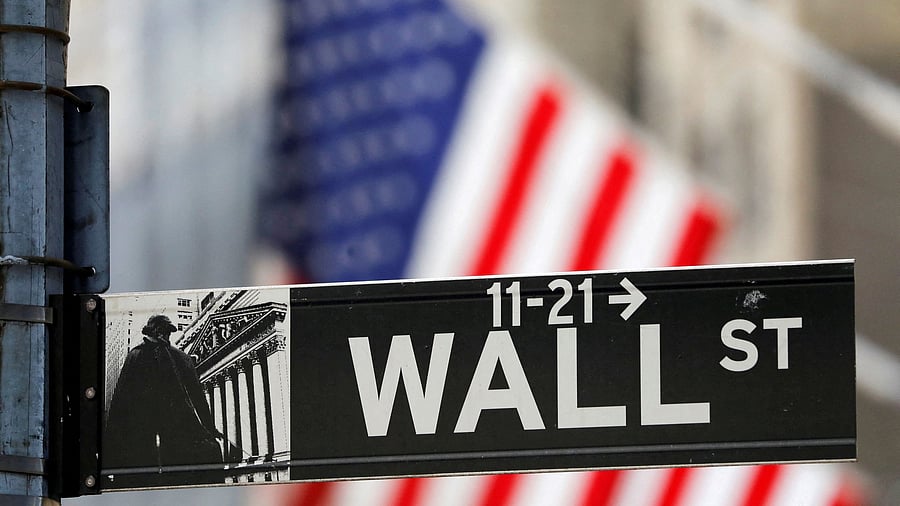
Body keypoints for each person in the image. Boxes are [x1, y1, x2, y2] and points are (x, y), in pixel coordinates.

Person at [105, 314, 224, 488]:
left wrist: (210, 427)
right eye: (164, 332)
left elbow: (120, 402)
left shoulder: (173, 358)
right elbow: (121, 402)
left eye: (168, 333)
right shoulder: (145, 355)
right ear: (156, 331)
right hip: (154, 435)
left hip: (163, 437)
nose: (166, 336)